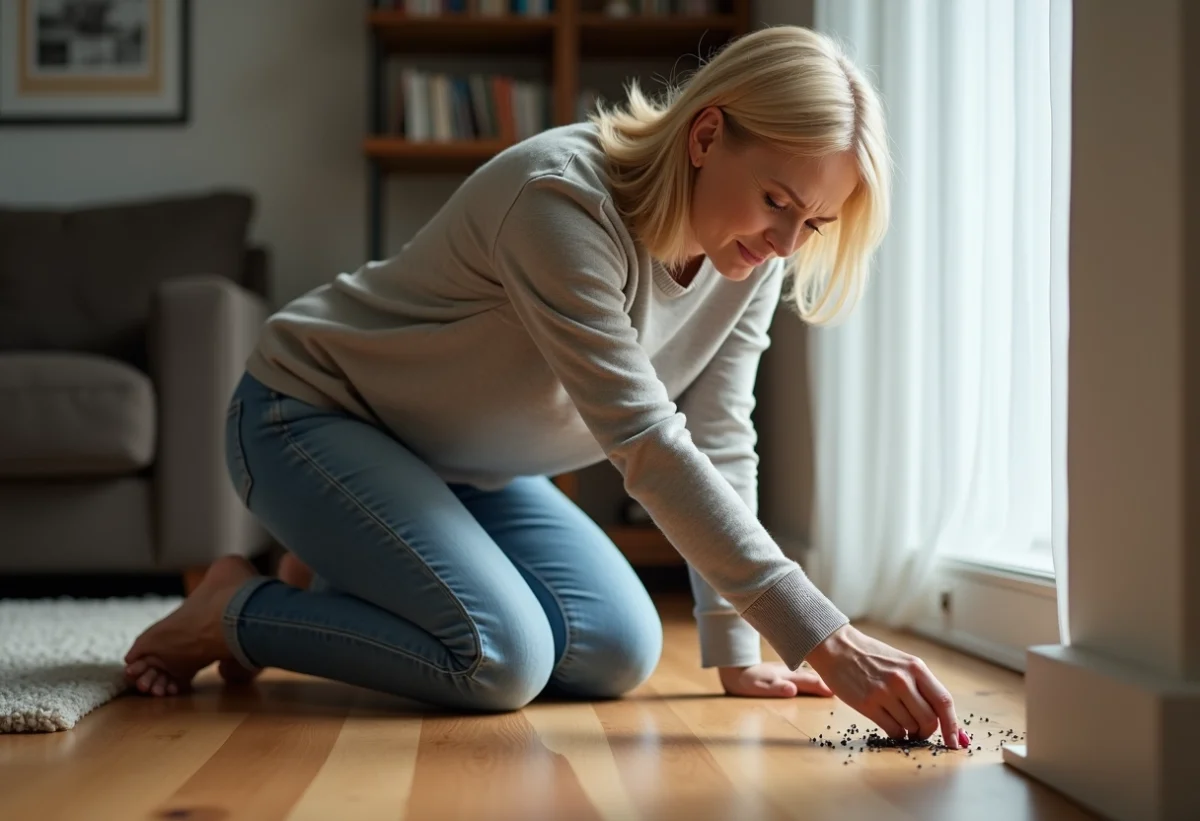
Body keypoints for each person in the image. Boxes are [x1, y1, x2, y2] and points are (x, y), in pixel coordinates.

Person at [124, 24, 970, 750]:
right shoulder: (562, 200)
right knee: (500, 658)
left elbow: (719, 434)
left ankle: (343, 560)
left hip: (470, 465)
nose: (786, 242)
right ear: (707, 135)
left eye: (812, 222)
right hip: (306, 412)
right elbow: (646, 442)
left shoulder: (743, 256)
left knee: (618, 649)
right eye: (777, 201)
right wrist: (823, 636)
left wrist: (739, 645)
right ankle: (232, 607)